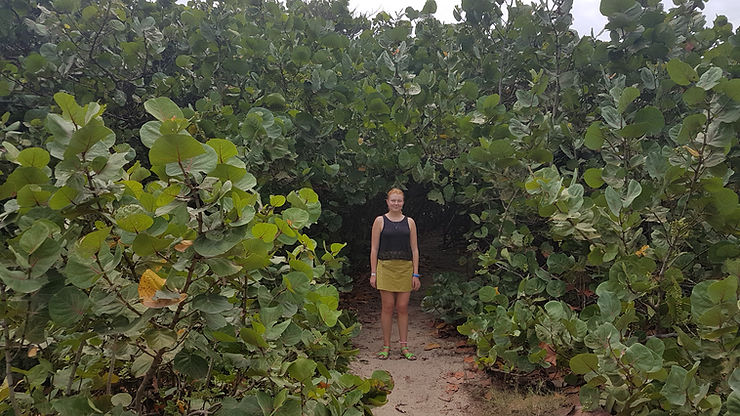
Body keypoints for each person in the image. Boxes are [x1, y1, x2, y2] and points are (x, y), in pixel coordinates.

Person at [369, 188, 421, 360]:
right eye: (393, 200)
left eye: (399, 201)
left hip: (405, 268)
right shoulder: (380, 221)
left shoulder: (410, 222)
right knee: (388, 306)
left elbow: (414, 249)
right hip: (385, 267)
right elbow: (374, 248)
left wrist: (416, 274)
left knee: (403, 307)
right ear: (387, 202)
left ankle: (404, 346)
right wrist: (373, 273)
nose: (396, 203)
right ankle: (386, 346)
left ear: (403, 202)